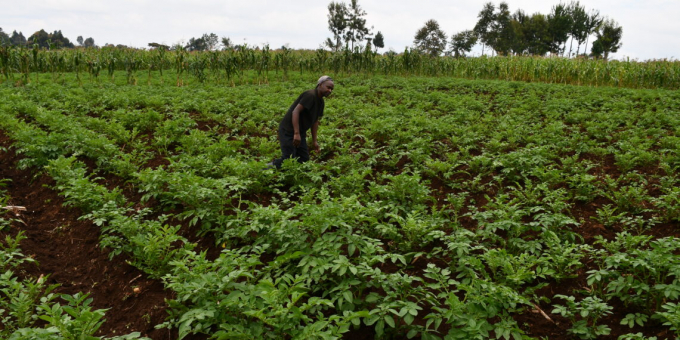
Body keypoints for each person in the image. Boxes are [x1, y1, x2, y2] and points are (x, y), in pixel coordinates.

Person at [268, 75, 334, 169]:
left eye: (331, 89)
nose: (330, 90)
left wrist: (314, 141)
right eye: (328, 87)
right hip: (288, 130)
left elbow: (315, 121)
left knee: (303, 160)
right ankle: (263, 168)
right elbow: (295, 111)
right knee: (288, 160)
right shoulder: (310, 95)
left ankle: (296, 178)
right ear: (320, 85)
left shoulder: (321, 102)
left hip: (300, 132)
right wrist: (296, 133)